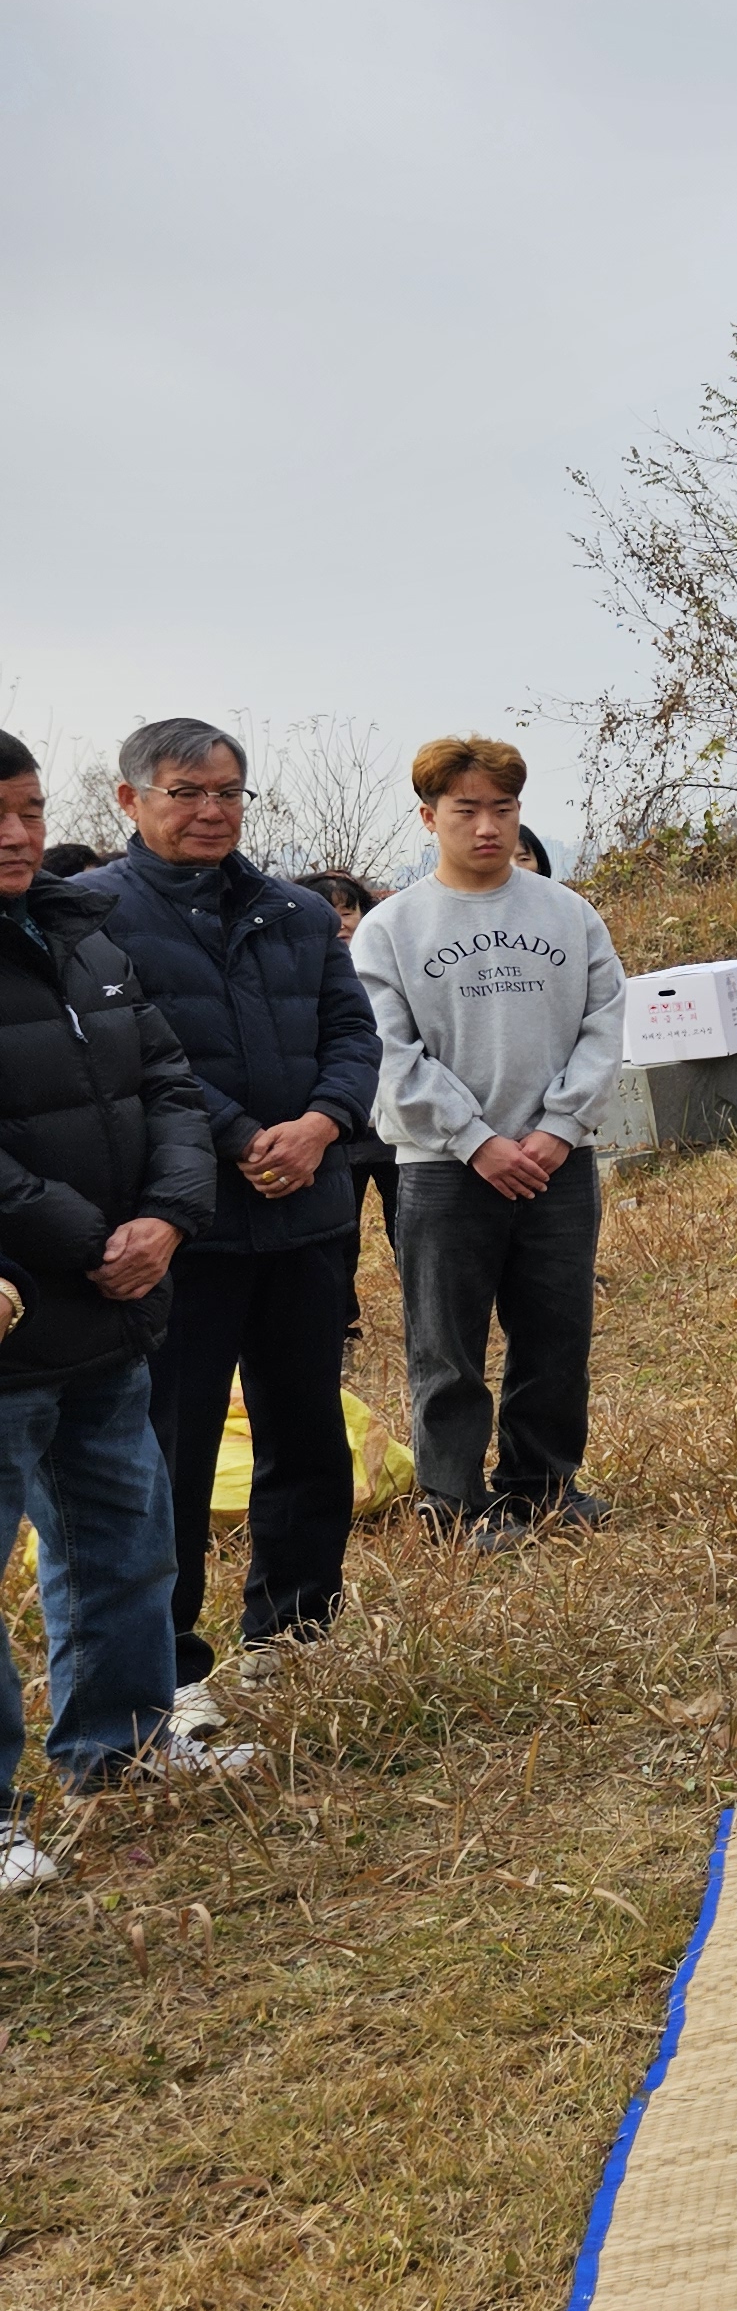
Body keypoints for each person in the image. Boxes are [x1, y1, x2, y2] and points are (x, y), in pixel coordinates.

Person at [90, 719, 380, 1721]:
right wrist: (245, 1138)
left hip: (309, 1215)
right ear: (130, 800)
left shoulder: (295, 911)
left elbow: (353, 1034)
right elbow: (131, 1061)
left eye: (227, 793)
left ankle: (294, 1630)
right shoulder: (96, 917)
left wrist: (321, 1124)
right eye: (186, 793)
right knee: (171, 1449)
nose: (210, 811)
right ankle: (170, 1667)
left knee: (307, 1431)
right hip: (187, 1225)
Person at [0, 724, 231, 1885]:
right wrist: (92, 1239)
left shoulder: (82, 935)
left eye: (31, 810)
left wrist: (170, 1216)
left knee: (122, 1545)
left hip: (108, 1314)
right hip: (18, 1311)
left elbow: (169, 1085)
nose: (17, 835)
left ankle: (121, 1748)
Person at [353, 737, 629, 1545]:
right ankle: (452, 1498)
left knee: (556, 1332)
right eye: (466, 810)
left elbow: (603, 1025)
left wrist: (560, 1128)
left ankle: (543, 1484)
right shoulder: (392, 927)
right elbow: (388, 1051)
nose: (487, 827)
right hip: (443, 1167)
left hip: (556, 1162)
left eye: (502, 809)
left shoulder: (568, 913)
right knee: (447, 1341)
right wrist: (474, 1140)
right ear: (428, 817)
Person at [298, 873, 403, 1327]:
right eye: (329, 912)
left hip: (395, 1123)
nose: (341, 922)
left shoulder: (387, 962)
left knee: (408, 1226)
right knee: (342, 1233)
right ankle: (342, 1321)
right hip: (338, 1127)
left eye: (348, 910)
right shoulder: (301, 971)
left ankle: (422, 1308)